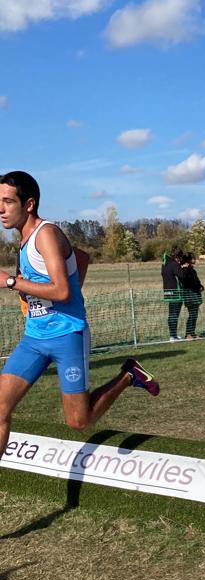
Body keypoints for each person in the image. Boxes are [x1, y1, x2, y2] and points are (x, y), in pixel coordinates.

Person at [0, 171, 159, 461]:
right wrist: (35, 294)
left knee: (79, 421)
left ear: (29, 204)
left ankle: (128, 375)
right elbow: (81, 258)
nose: (0, 208)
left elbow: (61, 292)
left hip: (66, 337)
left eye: (8, 201)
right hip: (34, 339)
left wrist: (12, 282)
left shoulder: (45, 234)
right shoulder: (24, 240)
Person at [161, 246, 186, 341]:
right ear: (178, 256)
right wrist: (183, 268)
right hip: (176, 292)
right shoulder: (175, 265)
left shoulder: (165, 264)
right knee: (174, 315)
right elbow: (182, 275)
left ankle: (174, 335)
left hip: (168, 292)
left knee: (172, 314)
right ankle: (172, 336)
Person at [180, 252, 204, 340]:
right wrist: (197, 287)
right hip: (189, 294)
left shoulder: (192, 270)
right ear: (189, 259)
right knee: (192, 314)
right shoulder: (184, 269)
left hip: (195, 293)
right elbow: (186, 282)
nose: (195, 259)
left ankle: (192, 333)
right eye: (193, 258)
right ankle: (188, 334)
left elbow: (196, 280)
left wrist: (201, 286)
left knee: (195, 315)